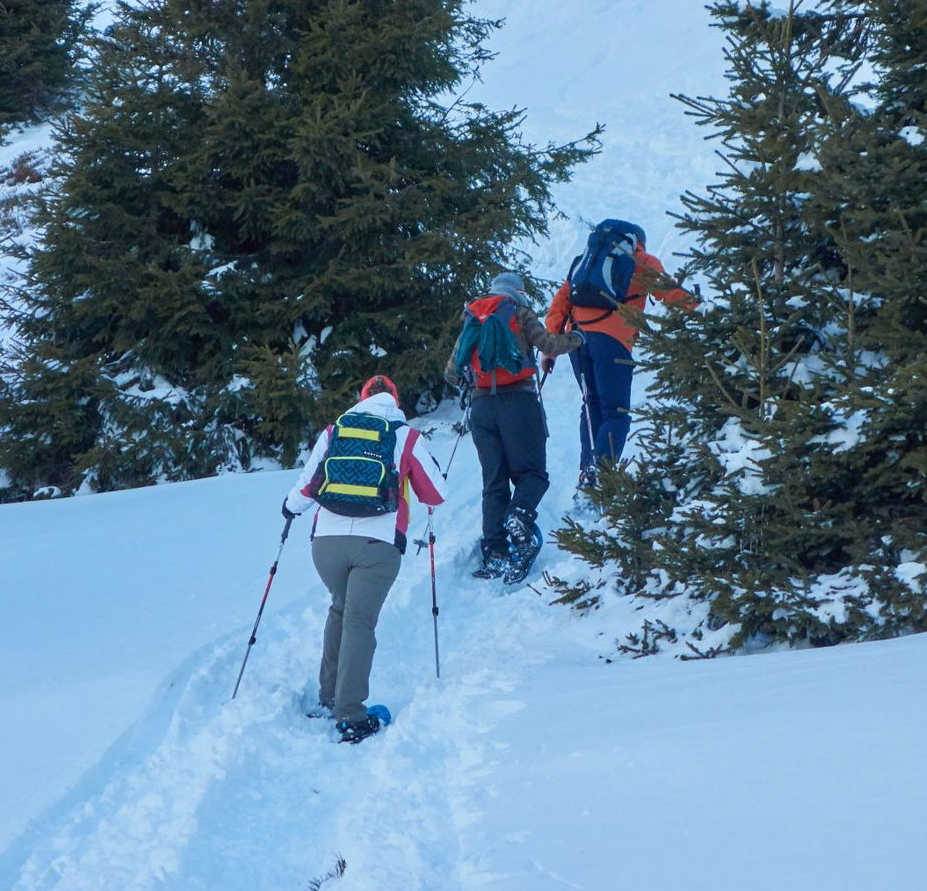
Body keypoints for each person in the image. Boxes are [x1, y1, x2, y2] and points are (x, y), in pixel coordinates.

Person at [282, 375, 445, 744]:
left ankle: (330, 698)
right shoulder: (404, 436)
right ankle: (351, 715)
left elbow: (304, 490)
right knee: (359, 621)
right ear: (396, 400)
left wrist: (288, 510)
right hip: (378, 546)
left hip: (325, 545)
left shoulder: (334, 431)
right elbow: (436, 494)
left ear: (360, 399)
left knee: (340, 609)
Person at [444, 271, 582, 583]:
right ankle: (519, 516)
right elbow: (548, 342)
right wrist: (577, 337)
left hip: (481, 408)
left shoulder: (474, 317)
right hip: (518, 402)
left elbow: (451, 372)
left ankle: (495, 551)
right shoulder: (520, 312)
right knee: (532, 472)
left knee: (494, 481)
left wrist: (472, 380)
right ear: (517, 291)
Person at [545, 221, 695, 490]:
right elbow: (666, 290)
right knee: (616, 412)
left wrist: (550, 348)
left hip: (576, 340)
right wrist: (697, 306)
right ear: (638, 241)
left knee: (591, 406)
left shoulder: (586, 261)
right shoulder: (641, 260)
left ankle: (587, 473)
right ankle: (601, 476)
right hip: (613, 341)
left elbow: (561, 301)